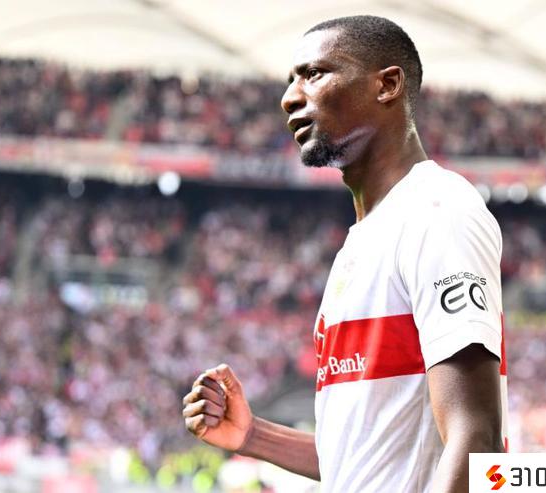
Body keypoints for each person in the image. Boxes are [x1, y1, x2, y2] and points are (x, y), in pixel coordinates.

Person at [182, 15, 507, 493]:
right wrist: (254, 435)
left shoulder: (437, 210)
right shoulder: (364, 239)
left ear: (387, 85)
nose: (289, 97)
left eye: (313, 74)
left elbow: (475, 439)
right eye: (290, 80)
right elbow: (364, 457)